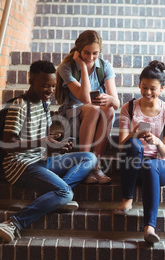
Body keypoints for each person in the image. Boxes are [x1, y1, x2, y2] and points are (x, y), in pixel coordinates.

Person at [0, 60, 97, 243]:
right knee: (65, 193)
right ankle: (13, 223)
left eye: (53, 86)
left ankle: (58, 195)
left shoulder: (45, 104)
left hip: (40, 160)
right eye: (45, 85)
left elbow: (43, 138)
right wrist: (41, 142)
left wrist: (55, 145)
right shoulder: (19, 106)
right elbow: (7, 143)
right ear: (31, 80)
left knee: (89, 158)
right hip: (20, 165)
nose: (49, 90)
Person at [114, 61, 165, 243]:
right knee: (134, 145)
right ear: (139, 84)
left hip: (159, 166)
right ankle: (127, 198)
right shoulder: (130, 108)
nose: (148, 92)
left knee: (151, 164)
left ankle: (149, 228)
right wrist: (134, 134)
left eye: (153, 89)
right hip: (133, 165)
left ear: (162, 88)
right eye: (144, 87)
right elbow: (122, 146)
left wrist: (157, 141)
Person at [56, 30, 120, 184]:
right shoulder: (67, 67)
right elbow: (85, 98)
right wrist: (83, 67)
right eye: (86, 53)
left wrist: (109, 98)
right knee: (93, 108)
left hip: (95, 112)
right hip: (72, 112)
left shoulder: (105, 66)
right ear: (78, 50)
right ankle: (84, 164)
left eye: (95, 53)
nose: (90, 57)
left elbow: (117, 104)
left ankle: (95, 165)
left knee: (108, 109)